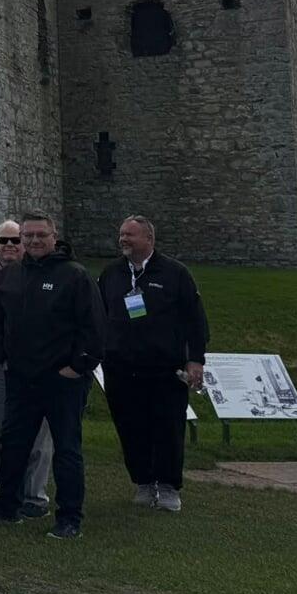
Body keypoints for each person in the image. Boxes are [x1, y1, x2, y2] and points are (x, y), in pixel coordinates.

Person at [0, 212, 102, 540]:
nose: (33, 241)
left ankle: (69, 517)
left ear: (54, 235)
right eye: (27, 236)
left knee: (67, 450)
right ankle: (7, 505)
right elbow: (4, 322)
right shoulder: (16, 274)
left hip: (63, 381)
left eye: (40, 235)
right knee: (13, 444)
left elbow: (94, 330)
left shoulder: (74, 275)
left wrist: (77, 367)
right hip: (21, 378)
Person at [97, 216, 208, 513]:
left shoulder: (174, 273)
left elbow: (195, 320)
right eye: (121, 234)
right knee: (130, 426)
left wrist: (195, 359)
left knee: (168, 427)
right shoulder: (111, 274)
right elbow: (99, 316)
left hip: (164, 367)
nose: (123, 240)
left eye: (130, 235)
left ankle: (169, 486)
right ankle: (144, 482)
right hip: (121, 367)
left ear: (149, 239)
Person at [0, 221, 51, 518]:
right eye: (3, 240)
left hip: (34, 368)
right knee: (0, 434)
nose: (9, 246)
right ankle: (5, 493)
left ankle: (35, 496)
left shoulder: (40, 274)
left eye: (15, 240)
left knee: (39, 439)